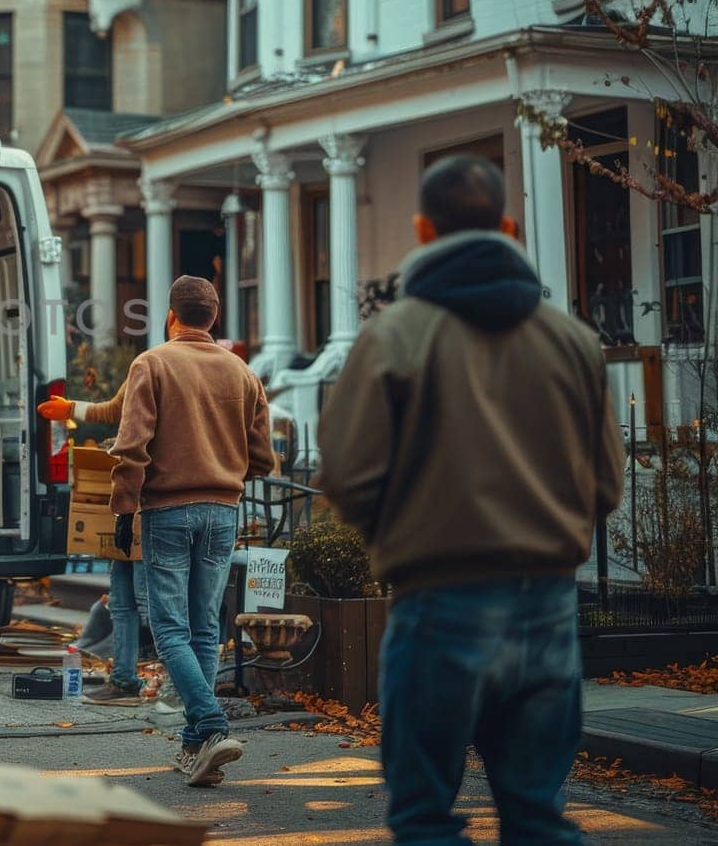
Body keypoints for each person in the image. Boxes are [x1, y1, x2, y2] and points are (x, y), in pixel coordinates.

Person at [317, 156, 624, 843]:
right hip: (548, 601)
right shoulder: (573, 339)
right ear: (507, 226)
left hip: (439, 596)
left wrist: (404, 536)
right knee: (538, 813)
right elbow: (606, 480)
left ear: (424, 230)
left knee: (426, 817)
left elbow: (347, 472)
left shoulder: (395, 335)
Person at [110, 276, 276, 786]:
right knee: (205, 628)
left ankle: (209, 724)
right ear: (215, 314)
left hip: (168, 510)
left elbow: (132, 443)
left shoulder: (153, 363)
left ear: (170, 314)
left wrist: (123, 507)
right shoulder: (243, 372)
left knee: (169, 629)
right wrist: (225, 472)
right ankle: (195, 745)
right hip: (223, 510)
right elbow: (264, 459)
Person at [39, 389, 152, 706]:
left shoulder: (155, 366)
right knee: (122, 601)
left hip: (156, 502)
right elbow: (115, 409)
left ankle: (180, 689)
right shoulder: (148, 366)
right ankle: (124, 682)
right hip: (129, 503)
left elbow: (115, 411)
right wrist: (72, 408)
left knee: (153, 608)